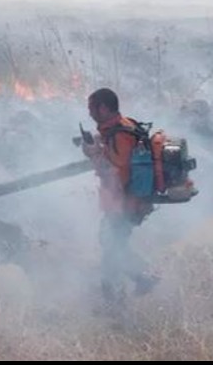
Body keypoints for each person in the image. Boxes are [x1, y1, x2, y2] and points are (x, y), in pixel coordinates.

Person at [81, 88, 160, 312]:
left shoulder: (120, 134)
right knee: (112, 245)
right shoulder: (122, 127)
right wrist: (98, 143)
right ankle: (139, 281)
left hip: (124, 205)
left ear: (103, 108)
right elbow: (116, 153)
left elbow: (118, 173)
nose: (90, 113)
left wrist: (93, 153)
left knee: (111, 251)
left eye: (92, 108)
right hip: (125, 203)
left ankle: (116, 302)